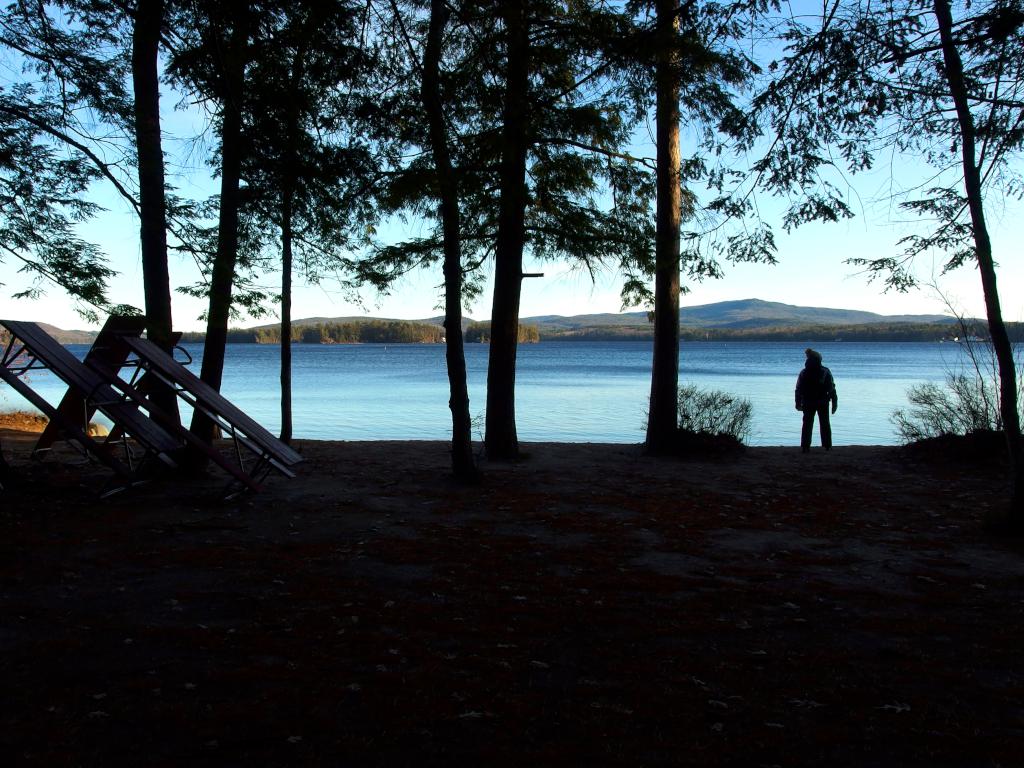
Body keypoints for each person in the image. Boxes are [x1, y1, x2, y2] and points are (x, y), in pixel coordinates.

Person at [795, 348, 838, 453]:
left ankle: (805, 446)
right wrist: (834, 402)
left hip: (808, 401)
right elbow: (831, 387)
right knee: (825, 423)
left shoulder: (803, 372)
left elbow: (798, 388)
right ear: (819, 359)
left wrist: (797, 402)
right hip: (822, 401)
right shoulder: (825, 371)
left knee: (807, 424)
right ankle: (827, 445)